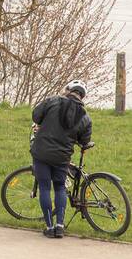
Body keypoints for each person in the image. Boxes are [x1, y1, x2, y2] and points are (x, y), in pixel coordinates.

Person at [30, 80, 92, 239]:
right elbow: (84, 141)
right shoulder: (84, 116)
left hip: (42, 152)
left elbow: (36, 115)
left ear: (68, 90)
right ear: (82, 96)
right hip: (62, 157)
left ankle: (49, 227)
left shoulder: (53, 101)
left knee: (44, 188)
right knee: (59, 187)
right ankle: (60, 227)